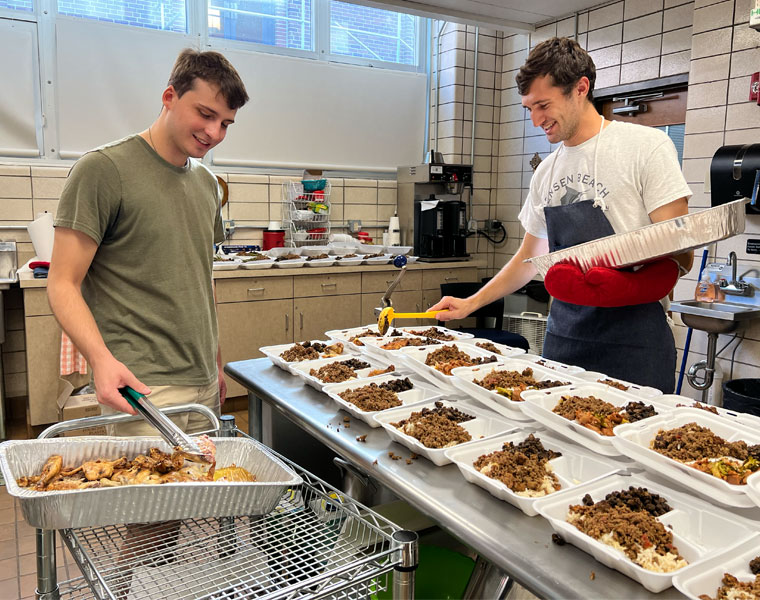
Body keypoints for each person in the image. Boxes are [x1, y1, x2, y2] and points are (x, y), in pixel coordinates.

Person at [431, 37, 692, 393]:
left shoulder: (645, 148)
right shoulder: (546, 172)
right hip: (565, 337)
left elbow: (682, 251)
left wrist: (625, 284)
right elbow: (529, 258)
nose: (537, 120)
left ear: (580, 88)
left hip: (636, 340)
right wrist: (471, 303)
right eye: (529, 109)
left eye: (543, 105)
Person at [48, 48, 249, 434]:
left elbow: (201, 280)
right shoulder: (103, 170)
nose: (214, 133)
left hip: (203, 382)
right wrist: (101, 361)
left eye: (226, 123)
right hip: (142, 385)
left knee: (204, 493)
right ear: (169, 97)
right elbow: (62, 283)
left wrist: (216, 365)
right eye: (206, 115)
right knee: (151, 496)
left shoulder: (207, 185)